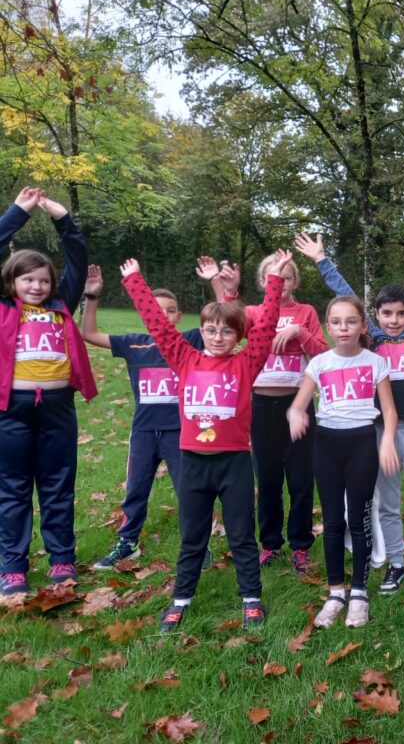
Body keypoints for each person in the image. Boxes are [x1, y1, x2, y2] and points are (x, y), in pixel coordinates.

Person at [118, 251, 292, 631]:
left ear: (238, 335)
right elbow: (159, 326)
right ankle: (181, 599)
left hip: (234, 464)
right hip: (194, 463)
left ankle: (251, 598)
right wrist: (135, 282)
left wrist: (275, 281)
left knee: (242, 535)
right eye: (211, 330)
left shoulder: (247, 363)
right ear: (202, 330)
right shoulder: (184, 358)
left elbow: (266, 327)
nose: (217, 337)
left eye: (227, 331)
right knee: (192, 537)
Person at [295, 230, 404, 590]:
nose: (394, 320)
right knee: (387, 504)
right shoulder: (372, 341)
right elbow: (347, 298)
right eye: (386, 314)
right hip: (378, 433)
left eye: (401, 313)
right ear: (375, 317)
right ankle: (396, 563)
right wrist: (322, 260)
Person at [200, 252, 327, 575]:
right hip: (260, 407)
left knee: (300, 480)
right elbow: (226, 326)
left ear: (295, 281)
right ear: (262, 281)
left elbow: (324, 356)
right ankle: (270, 544)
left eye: (286, 277)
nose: (280, 283)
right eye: (274, 277)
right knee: (268, 479)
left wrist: (300, 333)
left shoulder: (306, 312)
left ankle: (300, 545)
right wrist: (225, 288)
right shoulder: (255, 312)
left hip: (297, 406)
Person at [0, 188, 95, 596]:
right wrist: (18, 213)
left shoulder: (61, 304)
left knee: (58, 486)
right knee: (13, 488)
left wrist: (62, 218)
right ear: (12, 281)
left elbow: (77, 256)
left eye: (43, 280)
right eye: (27, 279)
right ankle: (13, 567)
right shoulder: (3, 307)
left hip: (57, 409)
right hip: (12, 411)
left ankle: (61, 561)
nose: (36, 286)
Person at [80, 265, 206, 570]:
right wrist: (92, 297)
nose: (162, 315)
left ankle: (198, 547)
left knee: (188, 492)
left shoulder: (189, 342)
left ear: (178, 316)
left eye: (170, 310)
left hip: (180, 432)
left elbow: (222, 319)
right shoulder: (134, 343)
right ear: (146, 313)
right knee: (135, 489)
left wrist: (216, 283)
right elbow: (88, 334)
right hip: (144, 433)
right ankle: (128, 543)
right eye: (155, 309)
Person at [286, 295, 399, 628]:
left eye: (351, 321)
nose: (344, 328)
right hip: (327, 445)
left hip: (362, 444)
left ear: (363, 325)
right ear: (328, 325)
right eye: (336, 322)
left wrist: (388, 440)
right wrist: (295, 414)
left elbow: (389, 410)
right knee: (333, 521)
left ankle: (360, 593)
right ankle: (336, 591)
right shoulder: (319, 363)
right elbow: (298, 404)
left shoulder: (375, 362)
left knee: (360, 520)